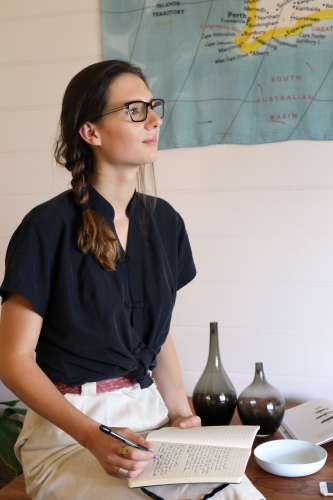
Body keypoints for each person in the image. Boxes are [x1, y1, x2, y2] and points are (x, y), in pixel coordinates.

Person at [0, 60, 200, 499]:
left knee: (237, 493)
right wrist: (93, 437)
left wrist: (180, 412)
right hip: (69, 432)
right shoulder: (46, 228)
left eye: (152, 106)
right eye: (134, 110)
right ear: (91, 132)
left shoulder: (164, 222)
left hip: (149, 419)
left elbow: (157, 336)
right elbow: (13, 359)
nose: (154, 119)